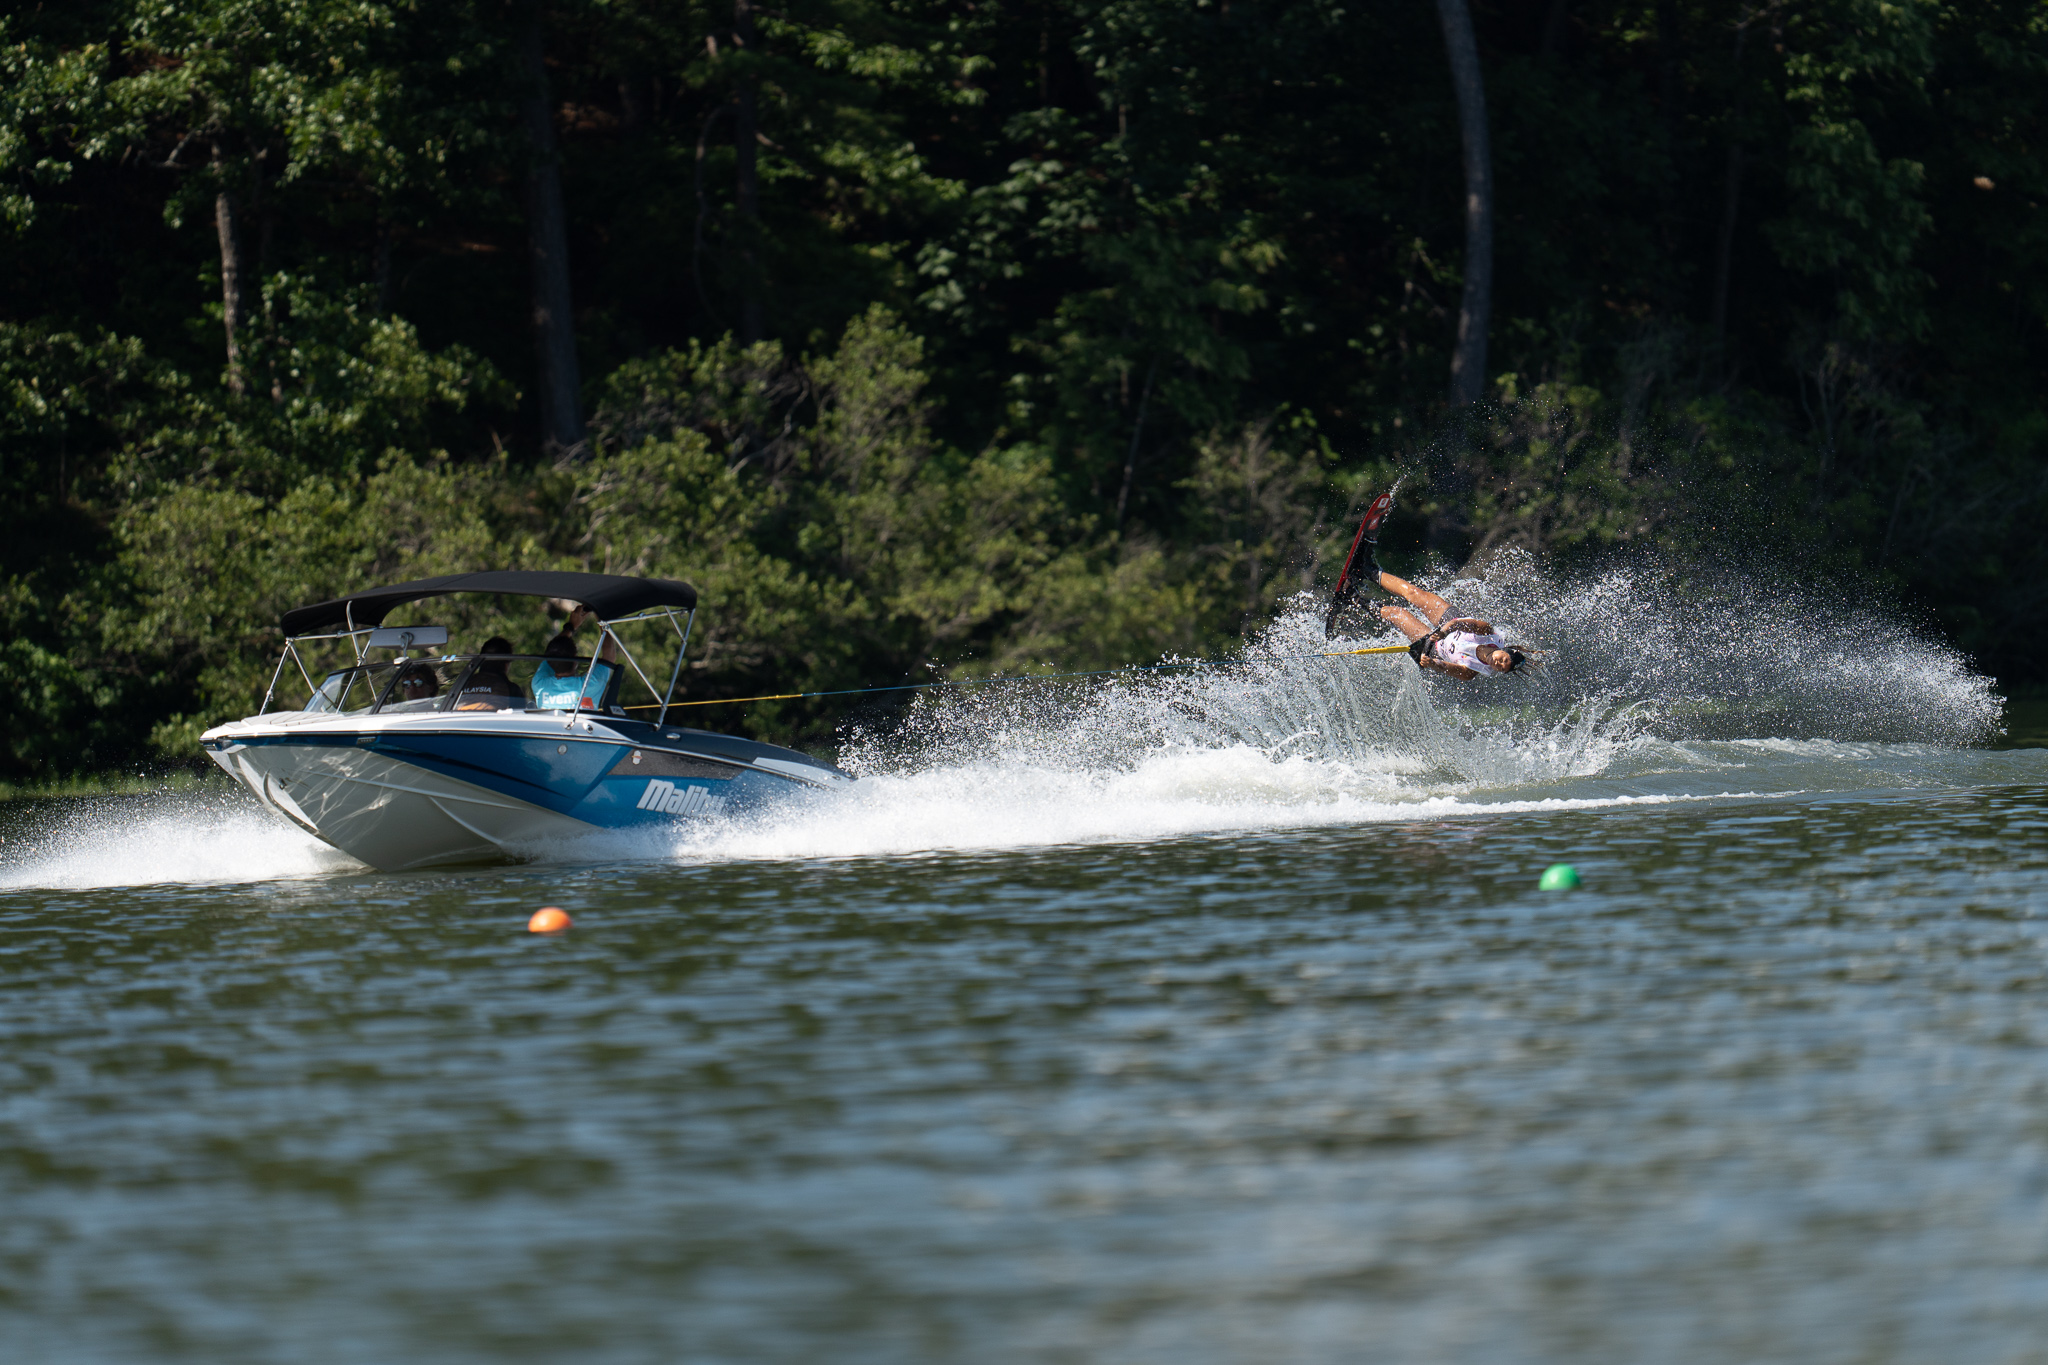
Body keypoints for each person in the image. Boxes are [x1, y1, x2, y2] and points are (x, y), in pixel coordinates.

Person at [1327, 494, 1532, 680]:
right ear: (1505, 651)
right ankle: (1368, 570)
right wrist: (1444, 630)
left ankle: (1353, 598)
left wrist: (1433, 663)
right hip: (1450, 621)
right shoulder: (1488, 633)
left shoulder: (1473, 670)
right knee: (1414, 593)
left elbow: (1453, 670)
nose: (1498, 664)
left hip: (1436, 647)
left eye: (1501, 668)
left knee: (1397, 614)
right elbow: (1462, 624)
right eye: (1504, 660)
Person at [531, 607, 620, 710]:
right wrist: (600, 618)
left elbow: (553, 650)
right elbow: (609, 656)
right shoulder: (590, 685)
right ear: (575, 662)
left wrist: (571, 626)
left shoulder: (539, 685)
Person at [453, 636, 525, 709]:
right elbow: (520, 715)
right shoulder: (512, 690)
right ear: (506, 664)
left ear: (481, 661)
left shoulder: (462, 685)